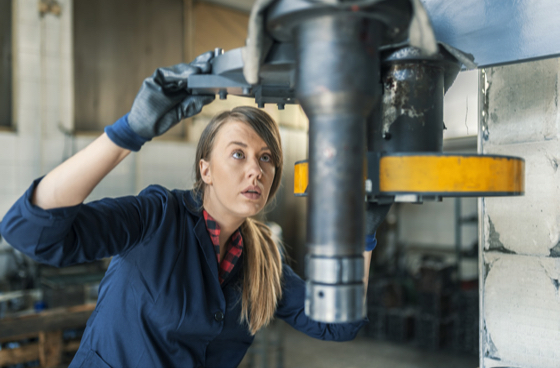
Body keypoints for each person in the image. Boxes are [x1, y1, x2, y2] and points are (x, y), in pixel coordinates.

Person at [0, 52, 376, 368]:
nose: (255, 170)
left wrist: (364, 229)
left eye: (266, 158)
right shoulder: (156, 217)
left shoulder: (264, 258)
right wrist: (128, 133)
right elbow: (29, 232)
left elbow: (338, 325)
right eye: (238, 154)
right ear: (205, 169)